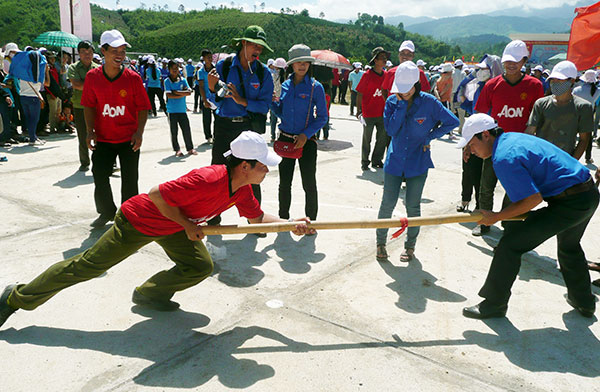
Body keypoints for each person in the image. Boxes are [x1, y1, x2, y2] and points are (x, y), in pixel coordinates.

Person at [0, 131, 315, 328]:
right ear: (244, 166)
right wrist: (187, 224)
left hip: (174, 226)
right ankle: (15, 297)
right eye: (263, 165)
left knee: (199, 266)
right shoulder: (208, 178)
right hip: (139, 221)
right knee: (86, 267)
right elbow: (156, 194)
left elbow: (258, 220)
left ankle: (149, 294)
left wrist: (293, 224)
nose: (267, 170)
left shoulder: (243, 189)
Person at [459, 113, 598, 319]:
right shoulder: (512, 139)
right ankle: (584, 301)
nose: (471, 150)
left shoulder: (504, 157)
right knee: (569, 247)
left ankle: (494, 305)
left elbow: (532, 199)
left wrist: (495, 217)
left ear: (486, 135)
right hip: (588, 194)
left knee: (510, 245)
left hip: (570, 202)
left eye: (471, 144)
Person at [376, 61, 459, 262]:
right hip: (395, 160)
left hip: (418, 161)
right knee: (387, 204)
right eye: (401, 90)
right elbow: (391, 130)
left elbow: (452, 121)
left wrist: (429, 137)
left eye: (407, 90)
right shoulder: (392, 102)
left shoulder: (429, 102)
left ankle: (410, 247)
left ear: (417, 85)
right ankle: (380, 243)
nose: (403, 93)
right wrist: (402, 105)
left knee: (413, 206)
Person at [471, 40, 545, 236]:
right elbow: (479, 114)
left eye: (516, 61)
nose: (511, 65)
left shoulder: (535, 85)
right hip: (493, 146)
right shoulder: (492, 85)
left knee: (515, 190)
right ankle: (483, 221)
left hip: (520, 149)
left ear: (524, 61)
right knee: (486, 186)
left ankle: (509, 225)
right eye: (507, 61)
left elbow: (537, 116)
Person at [206, 25, 274, 228]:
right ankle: (212, 219)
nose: (258, 51)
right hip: (224, 126)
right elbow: (212, 101)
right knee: (218, 173)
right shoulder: (224, 67)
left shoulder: (263, 73)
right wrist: (210, 87)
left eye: (261, 48)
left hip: (247, 129)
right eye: (254, 45)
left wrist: (242, 101)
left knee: (252, 174)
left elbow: (264, 105)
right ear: (243, 43)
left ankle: (255, 222)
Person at [82, 30, 151, 228]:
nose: (120, 55)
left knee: (130, 180)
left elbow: (143, 108)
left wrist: (139, 133)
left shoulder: (133, 78)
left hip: (128, 139)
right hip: (104, 139)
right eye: (114, 50)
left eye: (122, 50)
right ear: (103, 51)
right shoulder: (93, 77)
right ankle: (106, 211)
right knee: (99, 174)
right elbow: (89, 105)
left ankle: (129, 216)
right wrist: (89, 130)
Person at [271, 44, 328, 221]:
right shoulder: (284, 86)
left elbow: (322, 117)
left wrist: (306, 134)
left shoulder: (315, 87)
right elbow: (281, 112)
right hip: (285, 140)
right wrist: (272, 102)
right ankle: (282, 219)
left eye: (305, 62)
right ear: (291, 65)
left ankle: (311, 221)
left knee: (309, 183)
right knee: (284, 184)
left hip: (307, 141)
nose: (302, 66)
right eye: (298, 63)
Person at [526, 61, 593, 161]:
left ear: (572, 81)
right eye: (553, 80)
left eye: (560, 80)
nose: (555, 83)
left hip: (565, 160)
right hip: (540, 159)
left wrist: (571, 163)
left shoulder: (583, 107)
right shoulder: (541, 104)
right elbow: (530, 132)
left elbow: (584, 139)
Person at [356, 47, 389, 171]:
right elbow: (360, 93)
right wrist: (359, 111)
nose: (385, 61)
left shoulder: (386, 75)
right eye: (382, 58)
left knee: (381, 139)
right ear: (375, 60)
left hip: (382, 113)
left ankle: (376, 160)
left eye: (386, 58)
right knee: (367, 139)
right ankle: (365, 161)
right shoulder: (367, 75)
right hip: (368, 113)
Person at [68, 40, 99, 172]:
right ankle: (84, 162)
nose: (87, 55)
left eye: (89, 52)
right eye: (83, 52)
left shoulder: (98, 67)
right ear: (78, 54)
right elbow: (76, 85)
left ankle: (103, 161)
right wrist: (94, 84)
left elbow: (101, 86)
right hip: (80, 106)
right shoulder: (73, 68)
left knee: (101, 134)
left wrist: (85, 84)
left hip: (97, 106)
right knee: (82, 135)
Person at [164, 60, 196, 157]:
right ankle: (177, 149)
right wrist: (182, 93)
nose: (175, 70)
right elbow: (169, 95)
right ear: (169, 70)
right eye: (173, 69)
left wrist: (176, 92)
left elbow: (189, 91)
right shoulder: (167, 81)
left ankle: (190, 148)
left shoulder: (183, 80)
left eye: (177, 68)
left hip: (182, 109)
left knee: (186, 129)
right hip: (172, 110)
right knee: (174, 131)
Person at [573, 69, 600, 164]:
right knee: (588, 138)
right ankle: (588, 157)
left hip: (576, 114)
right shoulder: (597, 91)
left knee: (573, 135)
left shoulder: (576, 90)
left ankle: (572, 155)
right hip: (589, 115)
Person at [195, 49, 215, 144]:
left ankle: (217, 135)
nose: (210, 59)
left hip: (216, 97)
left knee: (218, 118)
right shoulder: (200, 72)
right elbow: (201, 87)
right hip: (206, 97)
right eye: (208, 57)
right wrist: (204, 100)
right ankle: (208, 136)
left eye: (211, 57)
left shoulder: (216, 69)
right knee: (207, 119)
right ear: (203, 58)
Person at [269, 57, 286, 142]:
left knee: (273, 120)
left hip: (274, 99)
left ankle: (273, 136)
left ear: (275, 67)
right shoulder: (287, 77)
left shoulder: (272, 76)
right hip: (284, 100)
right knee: (284, 119)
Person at [451, 59, 467, 134]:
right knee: (461, 113)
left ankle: (451, 130)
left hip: (451, 93)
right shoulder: (463, 73)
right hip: (460, 94)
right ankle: (461, 129)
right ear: (460, 66)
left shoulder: (452, 73)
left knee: (451, 112)